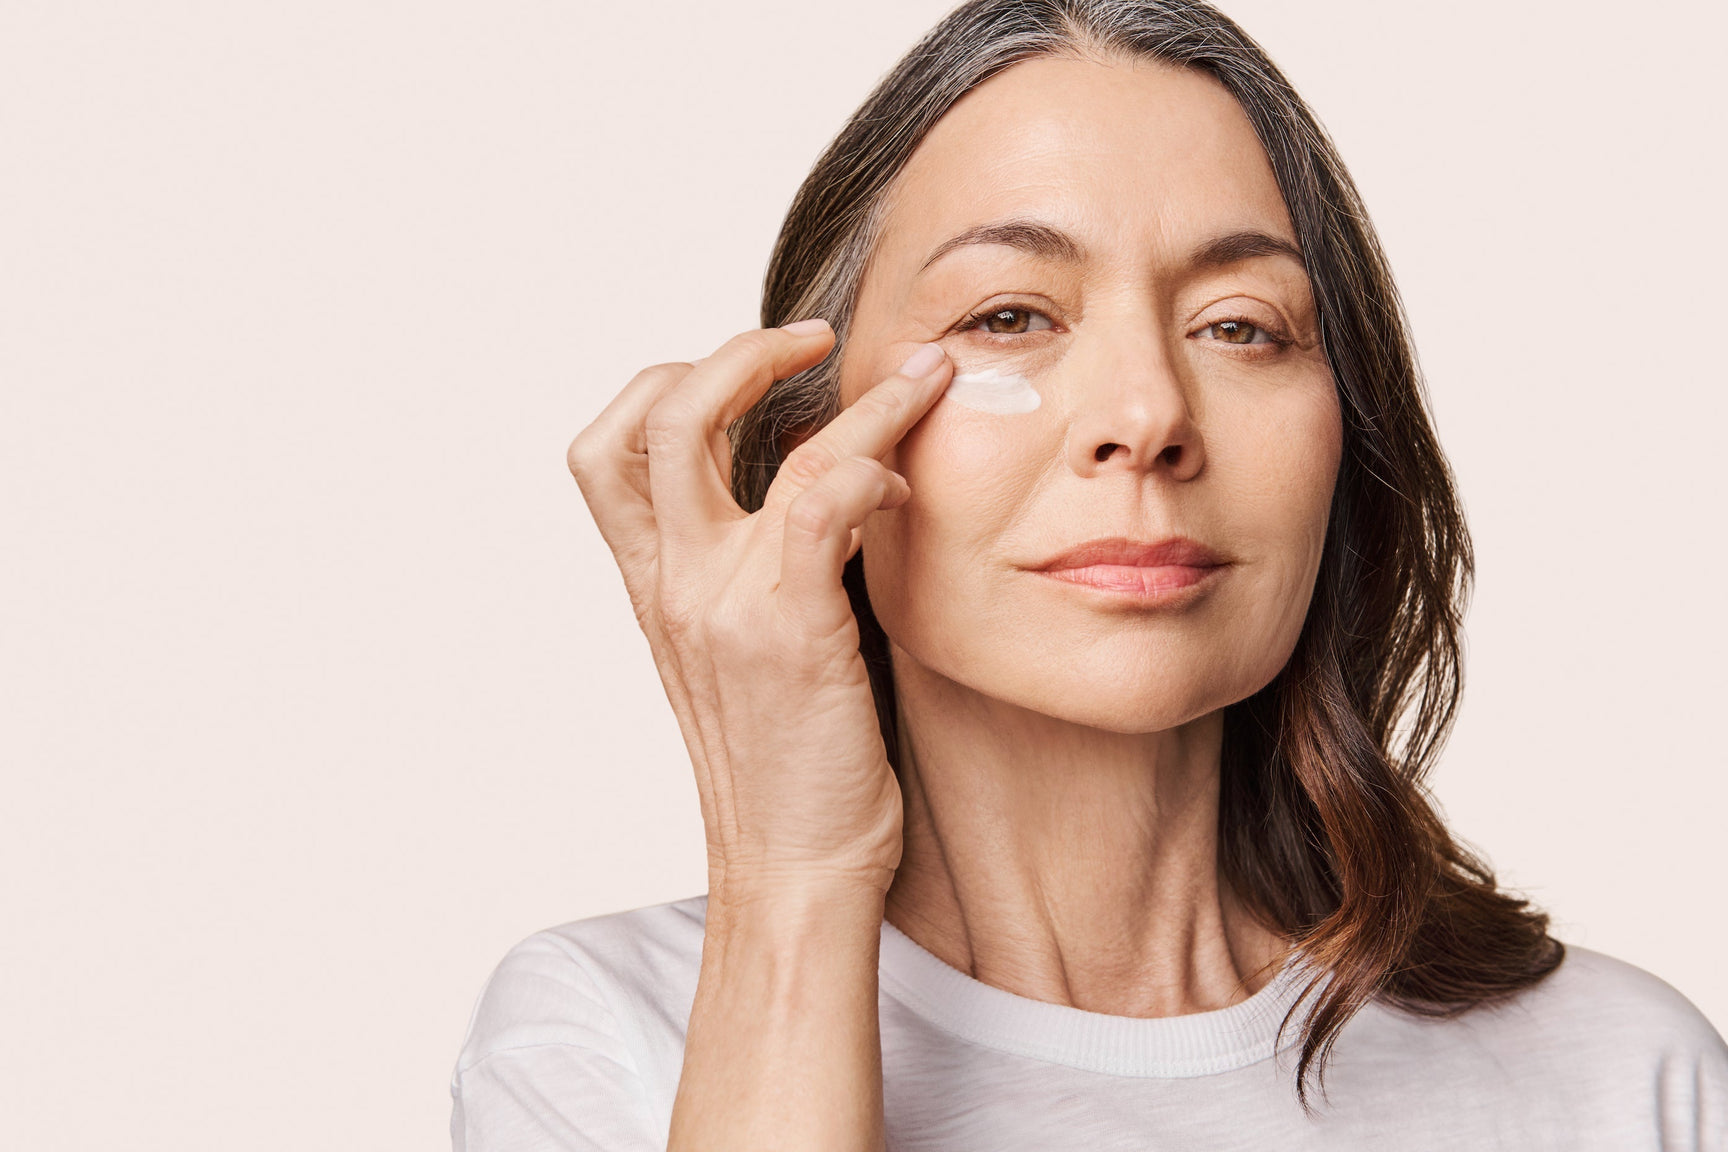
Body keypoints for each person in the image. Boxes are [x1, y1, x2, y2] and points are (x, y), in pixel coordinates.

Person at [449, 1, 1728, 1148]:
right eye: (1010, 315)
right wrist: (790, 882)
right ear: (811, 445)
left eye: (1241, 327)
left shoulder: (1626, 1076)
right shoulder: (612, 1040)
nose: (1146, 413)